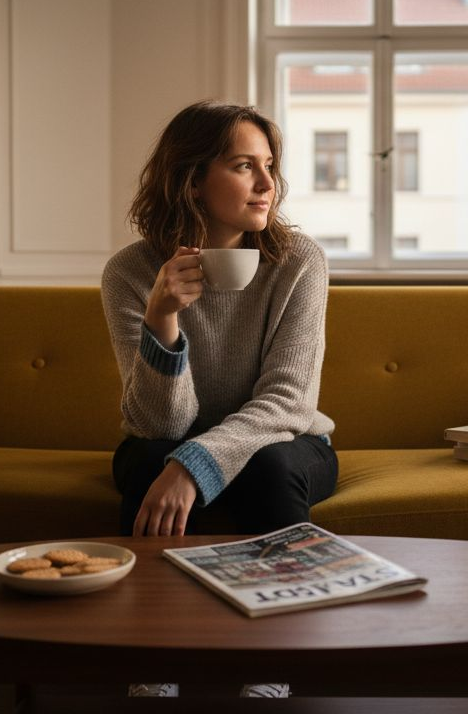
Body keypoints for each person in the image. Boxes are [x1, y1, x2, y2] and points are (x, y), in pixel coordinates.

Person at [100, 101, 338, 699]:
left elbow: (287, 400)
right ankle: (153, 653)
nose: (267, 185)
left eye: (270, 166)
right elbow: (159, 421)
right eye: (243, 166)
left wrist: (195, 464)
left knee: (268, 463)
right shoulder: (131, 272)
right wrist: (163, 320)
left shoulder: (299, 262)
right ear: (193, 181)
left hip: (283, 443)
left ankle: (272, 659)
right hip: (167, 440)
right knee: (151, 454)